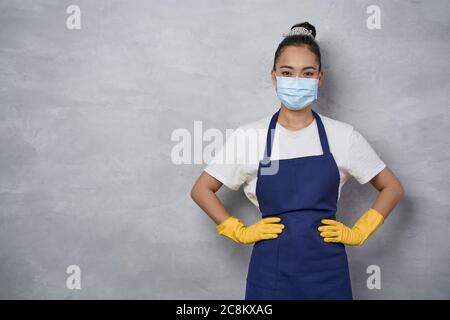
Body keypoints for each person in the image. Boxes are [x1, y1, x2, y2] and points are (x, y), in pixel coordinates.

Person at [190, 22, 405, 300]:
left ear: (320, 78)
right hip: (270, 275)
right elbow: (201, 190)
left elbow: (392, 188)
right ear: (274, 77)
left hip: (328, 273)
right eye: (287, 72)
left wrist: (359, 232)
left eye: (307, 73)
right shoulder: (249, 137)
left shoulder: (343, 136)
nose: (297, 80)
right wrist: (238, 230)